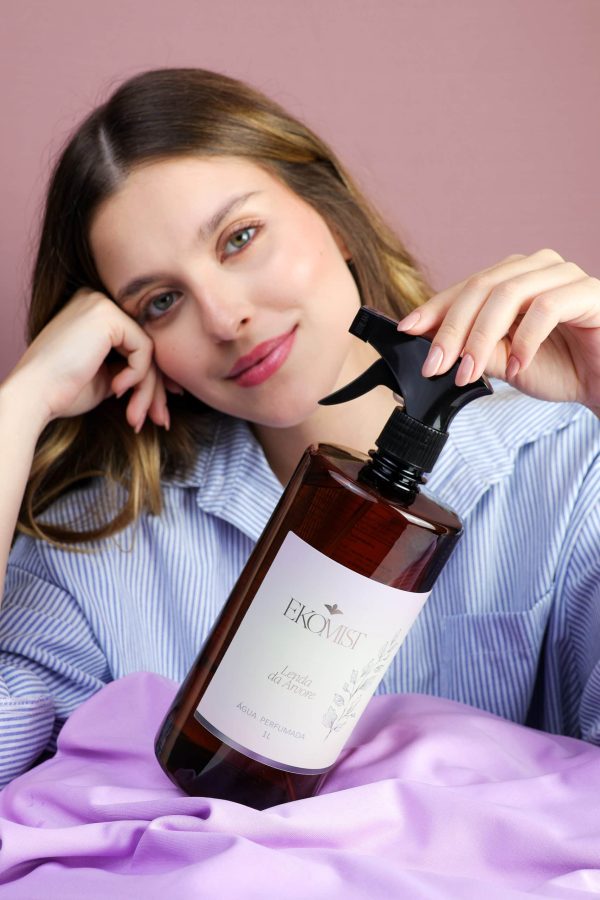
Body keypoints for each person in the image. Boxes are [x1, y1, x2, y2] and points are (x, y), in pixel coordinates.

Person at [0, 68, 598, 790]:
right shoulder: (93, 548)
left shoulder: (567, 462)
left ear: (334, 217)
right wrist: (21, 403)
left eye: (240, 238)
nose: (226, 318)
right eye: (160, 301)